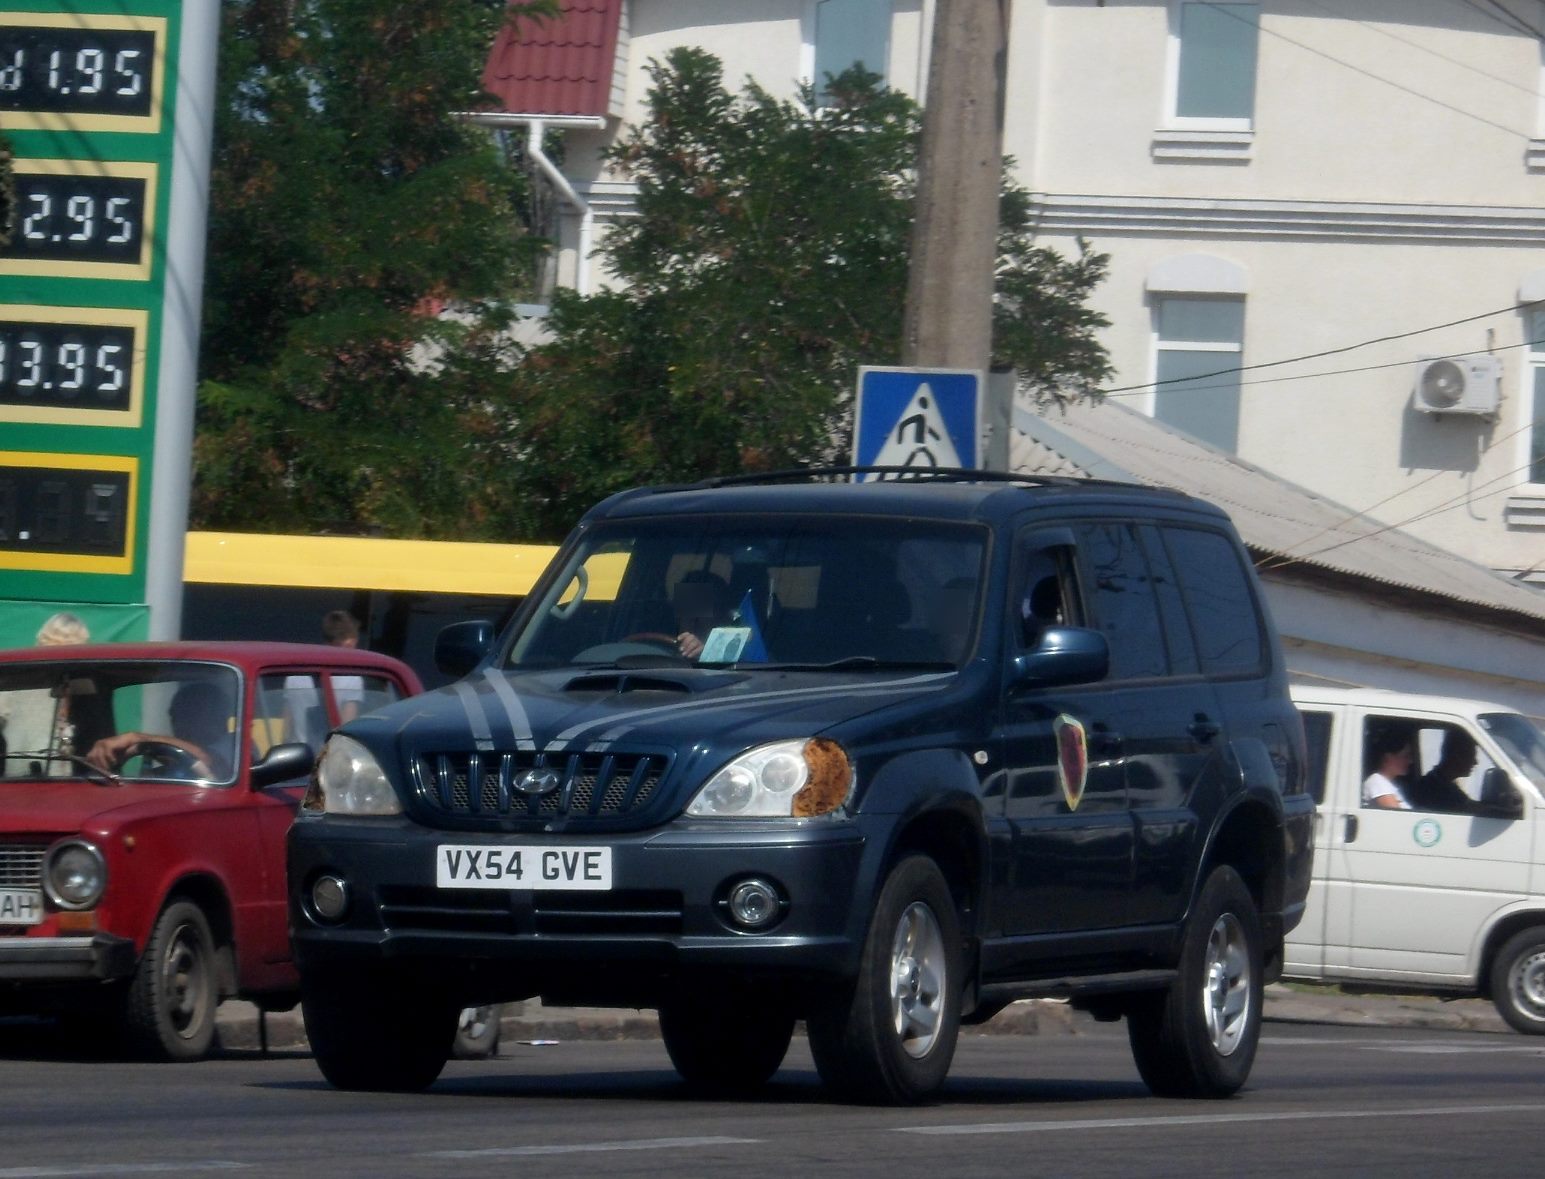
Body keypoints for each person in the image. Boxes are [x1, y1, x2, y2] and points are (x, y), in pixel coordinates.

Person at [85, 681, 236, 781]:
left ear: (218, 716)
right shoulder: (181, 755)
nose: (179, 722)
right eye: (176, 715)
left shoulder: (234, 746)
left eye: (190, 714)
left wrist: (138, 739)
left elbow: (209, 761)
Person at [1406, 729, 1483, 814]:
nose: (1475, 762)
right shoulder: (1432, 789)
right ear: (1457, 756)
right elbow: (1465, 809)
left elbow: (1469, 805)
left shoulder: (1444, 784)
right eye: (1471, 756)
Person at [671, 570, 732, 660]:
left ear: (720, 614)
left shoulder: (730, 654)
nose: (691, 617)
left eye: (701, 607)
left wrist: (705, 654)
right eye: (686, 605)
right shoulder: (653, 645)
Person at [1363, 726, 1415, 810]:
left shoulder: (1390, 784)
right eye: (1405, 756)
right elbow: (1398, 817)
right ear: (1388, 757)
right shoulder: (1377, 782)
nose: (1410, 761)